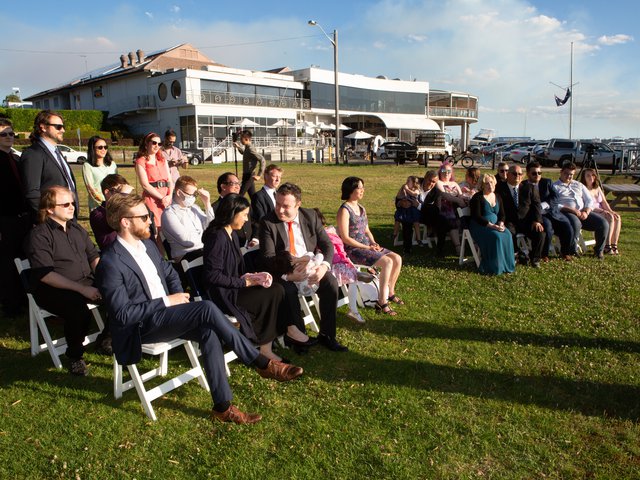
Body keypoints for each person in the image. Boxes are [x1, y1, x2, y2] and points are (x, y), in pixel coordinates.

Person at [96, 193, 304, 425]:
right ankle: (260, 362)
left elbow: (169, 271)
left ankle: (223, 407)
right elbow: (122, 315)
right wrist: (167, 301)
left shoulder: (146, 246)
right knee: (206, 308)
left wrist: (178, 296)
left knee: (209, 331)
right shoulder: (110, 262)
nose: (150, 221)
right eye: (144, 217)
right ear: (125, 221)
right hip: (141, 326)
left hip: (167, 315)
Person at [203, 194, 302, 363]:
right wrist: (244, 282)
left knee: (277, 288)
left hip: (235, 287)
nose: (246, 219)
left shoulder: (231, 233)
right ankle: (265, 347)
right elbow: (213, 275)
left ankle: (269, 343)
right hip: (224, 294)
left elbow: (236, 268)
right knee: (270, 294)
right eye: (244, 214)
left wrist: (254, 277)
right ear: (232, 213)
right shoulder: (217, 237)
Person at [25, 186, 110, 375]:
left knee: (120, 292)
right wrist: (82, 290)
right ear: (49, 208)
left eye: (72, 203)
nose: (72, 207)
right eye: (65, 204)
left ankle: (106, 340)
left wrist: (105, 278)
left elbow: (93, 257)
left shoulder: (77, 229)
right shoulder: (39, 235)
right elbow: (46, 275)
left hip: (84, 280)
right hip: (53, 288)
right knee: (78, 310)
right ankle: (75, 356)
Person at [259, 182, 347, 352]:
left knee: (330, 283)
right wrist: (292, 270)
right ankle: (298, 338)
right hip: (282, 271)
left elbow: (327, 246)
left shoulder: (310, 216)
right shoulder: (267, 222)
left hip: (312, 266)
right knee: (289, 290)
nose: (280, 210)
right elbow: (268, 258)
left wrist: (323, 267)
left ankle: (327, 335)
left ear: (298, 205)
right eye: (277, 204)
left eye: (286, 206)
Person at [337, 177, 403, 316]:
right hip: (353, 250)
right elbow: (345, 238)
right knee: (387, 261)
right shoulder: (344, 210)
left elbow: (366, 230)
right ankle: (382, 301)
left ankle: (390, 291)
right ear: (351, 190)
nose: (362, 190)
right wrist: (367, 248)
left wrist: (372, 242)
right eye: (359, 188)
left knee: (397, 258)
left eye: (362, 187)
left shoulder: (361, 208)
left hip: (367, 246)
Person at [20, 110, 78, 221]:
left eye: (63, 126)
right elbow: (32, 193)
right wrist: (48, 220)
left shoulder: (56, 151)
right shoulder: (33, 153)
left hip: (67, 219)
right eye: (58, 127)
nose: (63, 130)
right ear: (43, 127)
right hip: (51, 222)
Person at [0, 118, 30, 316]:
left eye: (12, 133)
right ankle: (10, 305)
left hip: (22, 218)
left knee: (23, 258)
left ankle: (24, 299)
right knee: (7, 264)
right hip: (4, 219)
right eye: (4, 134)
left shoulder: (17, 159)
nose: (9, 137)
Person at [315, 208, 365, 324]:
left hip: (340, 263)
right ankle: (345, 309)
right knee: (349, 276)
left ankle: (352, 309)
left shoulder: (329, 232)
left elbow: (340, 247)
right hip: (329, 265)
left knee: (352, 275)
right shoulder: (314, 237)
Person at [552, 163, 609, 259]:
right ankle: (572, 250)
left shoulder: (578, 185)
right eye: (566, 173)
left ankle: (599, 251)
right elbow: (554, 204)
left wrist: (586, 211)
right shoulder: (554, 186)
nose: (569, 176)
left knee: (603, 223)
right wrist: (571, 210)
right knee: (576, 223)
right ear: (561, 172)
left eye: (571, 174)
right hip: (566, 212)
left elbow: (589, 200)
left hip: (583, 212)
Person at [496, 164, 545, 266]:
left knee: (540, 233)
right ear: (508, 175)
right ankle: (518, 254)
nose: (517, 176)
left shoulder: (530, 188)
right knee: (509, 233)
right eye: (514, 174)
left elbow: (536, 205)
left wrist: (537, 221)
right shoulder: (499, 188)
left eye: (520, 174)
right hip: (509, 222)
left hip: (527, 221)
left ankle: (535, 259)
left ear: (523, 176)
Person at [526, 161, 576, 261]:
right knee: (548, 229)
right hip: (539, 215)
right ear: (528, 173)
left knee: (567, 226)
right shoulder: (524, 186)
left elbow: (556, 197)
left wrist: (544, 204)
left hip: (552, 212)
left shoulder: (546, 182)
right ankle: (544, 254)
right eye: (534, 173)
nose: (537, 175)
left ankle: (565, 252)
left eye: (539, 173)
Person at [468, 174, 516, 275]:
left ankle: (507, 265)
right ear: (482, 185)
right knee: (496, 236)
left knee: (507, 234)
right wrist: (492, 226)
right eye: (487, 183)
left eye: (491, 182)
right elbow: (477, 217)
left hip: (496, 225)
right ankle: (495, 266)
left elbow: (502, 214)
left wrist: (501, 224)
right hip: (480, 226)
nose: (490, 185)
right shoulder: (477, 197)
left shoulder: (497, 196)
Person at [161, 175, 213, 261]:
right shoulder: (169, 214)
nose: (193, 198)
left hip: (202, 251)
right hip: (185, 257)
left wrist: (207, 204)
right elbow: (187, 241)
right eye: (191, 195)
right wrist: (208, 238)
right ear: (179, 193)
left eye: (195, 195)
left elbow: (212, 227)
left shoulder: (195, 208)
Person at [134, 132, 173, 230]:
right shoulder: (141, 161)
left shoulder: (162, 160)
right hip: (152, 199)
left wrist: (169, 196)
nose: (157, 146)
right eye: (154, 143)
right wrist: (162, 198)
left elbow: (170, 180)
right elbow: (145, 185)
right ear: (146, 144)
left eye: (159, 144)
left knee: (169, 227)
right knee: (155, 229)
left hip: (167, 198)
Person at [580, 168, 621, 255]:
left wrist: (610, 211)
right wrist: (603, 211)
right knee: (609, 217)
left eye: (593, 175)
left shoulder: (597, 188)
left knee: (616, 217)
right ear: (584, 177)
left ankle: (614, 245)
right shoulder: (582, 188)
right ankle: (607, 245)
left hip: (602, 210)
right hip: (592, 212)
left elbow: (603, 202)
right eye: (588, 175)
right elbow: (586, 205)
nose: (591, 177)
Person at [212, 172, 258, 251]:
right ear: (223, 186)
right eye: (234, 183)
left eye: (238, 184)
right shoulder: (215, 208)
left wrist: (255, 239)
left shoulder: (244, 204)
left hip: (251, 250)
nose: (238, 187)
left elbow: (255, 223)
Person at [435, 163, 466, 253]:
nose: (446, 173)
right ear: (440, 172)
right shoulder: (438, 183)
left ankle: (473, 243)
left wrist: (467, 196)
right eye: (444, 170)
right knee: (452, 218)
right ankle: (458, 246)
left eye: (449, 171)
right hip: (444, 209)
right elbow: (445, 195)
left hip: (456, 208)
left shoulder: (454, 183)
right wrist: (459, 200)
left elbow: (460, 196)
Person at [418, 171, 450, 257]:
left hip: (427, 215)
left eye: (434, 182)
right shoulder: (416, 184)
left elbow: (437, 209)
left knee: (443, 221)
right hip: (412, 213)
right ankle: (407, 248)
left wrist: (420, 206)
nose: (431, 183)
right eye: (430, 180)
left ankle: (440, 249)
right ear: (425, 177)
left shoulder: (437, 192)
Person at [82, 136, 117, 211]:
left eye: (105, 147)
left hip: (113, 204)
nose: (103, 149)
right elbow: (90, 189)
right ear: (93, 149)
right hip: (98, 207)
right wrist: (105, 203)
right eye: (100, 147)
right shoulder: (87, 166)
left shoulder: (112, 164)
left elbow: (117, 183)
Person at [393, 175, 422, 254]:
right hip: (405, 211)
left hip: (413, 211)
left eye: (408, 181)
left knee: (414, 223)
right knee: (399, 219)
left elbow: (414, 195)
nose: (406, 182)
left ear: (414, 183)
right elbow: (398, 196)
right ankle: (395, 234)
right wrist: (402, 189)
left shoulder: (417, 190)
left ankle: (418, 239)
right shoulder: (405, 190)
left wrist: (406, 189)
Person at [234, 130, 265, 199]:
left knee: (239, 196)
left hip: (249, 176)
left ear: (246, 139)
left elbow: (262, 160)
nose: (240, 140)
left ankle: (234, 209)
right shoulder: (247, 148)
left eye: (241, 139)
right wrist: (238, 147)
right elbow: (244, 153)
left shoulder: (250, 149)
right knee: (253, 197)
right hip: (247, 175)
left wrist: (259, 175)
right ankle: (257, 208)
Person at [250, 164, 282, 228]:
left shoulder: (280, 194)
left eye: (280, 177)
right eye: (275, 176)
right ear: (266, 176)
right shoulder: (258, 196)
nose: (278, 179)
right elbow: (261, 219)